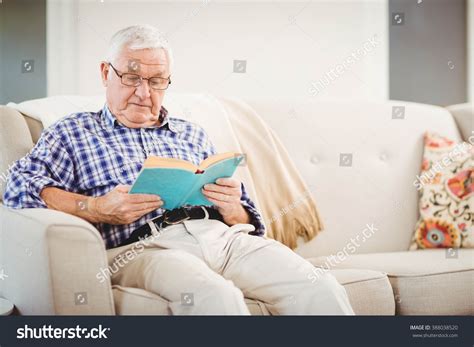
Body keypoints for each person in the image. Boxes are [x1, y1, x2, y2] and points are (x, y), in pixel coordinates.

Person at [3, 25, 354, 315]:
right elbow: (17, 188)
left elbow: (246, 219)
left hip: (222, 238)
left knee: (319, 287)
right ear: (105, 72)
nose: (144, 93)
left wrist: (233, 207)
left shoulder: (192, 132)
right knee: (216, 298)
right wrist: (94, 208)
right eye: (131, 77)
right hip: (145, 246)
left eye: (157, 82)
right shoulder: (73, 131)